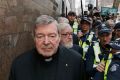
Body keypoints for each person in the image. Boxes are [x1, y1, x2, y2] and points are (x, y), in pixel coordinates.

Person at [9, 15, 85, 80]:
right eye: (40, 36)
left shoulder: (76, 62)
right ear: (34, 38)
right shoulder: (19, 65)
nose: (46, 42)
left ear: (59, 37)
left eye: (52, 36)